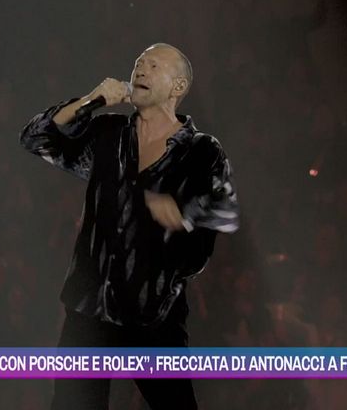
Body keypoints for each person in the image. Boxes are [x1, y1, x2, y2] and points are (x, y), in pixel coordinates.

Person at [19, 43, 239, 410]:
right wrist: (90, 101)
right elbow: (36, 139)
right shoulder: (108, 133)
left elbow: (222, 214)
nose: (141, 69)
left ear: (178, 86)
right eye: (138, 63)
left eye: (153, 65)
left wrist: (183, 215)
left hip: (152, 313)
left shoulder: (201, 150)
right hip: (90, 307)